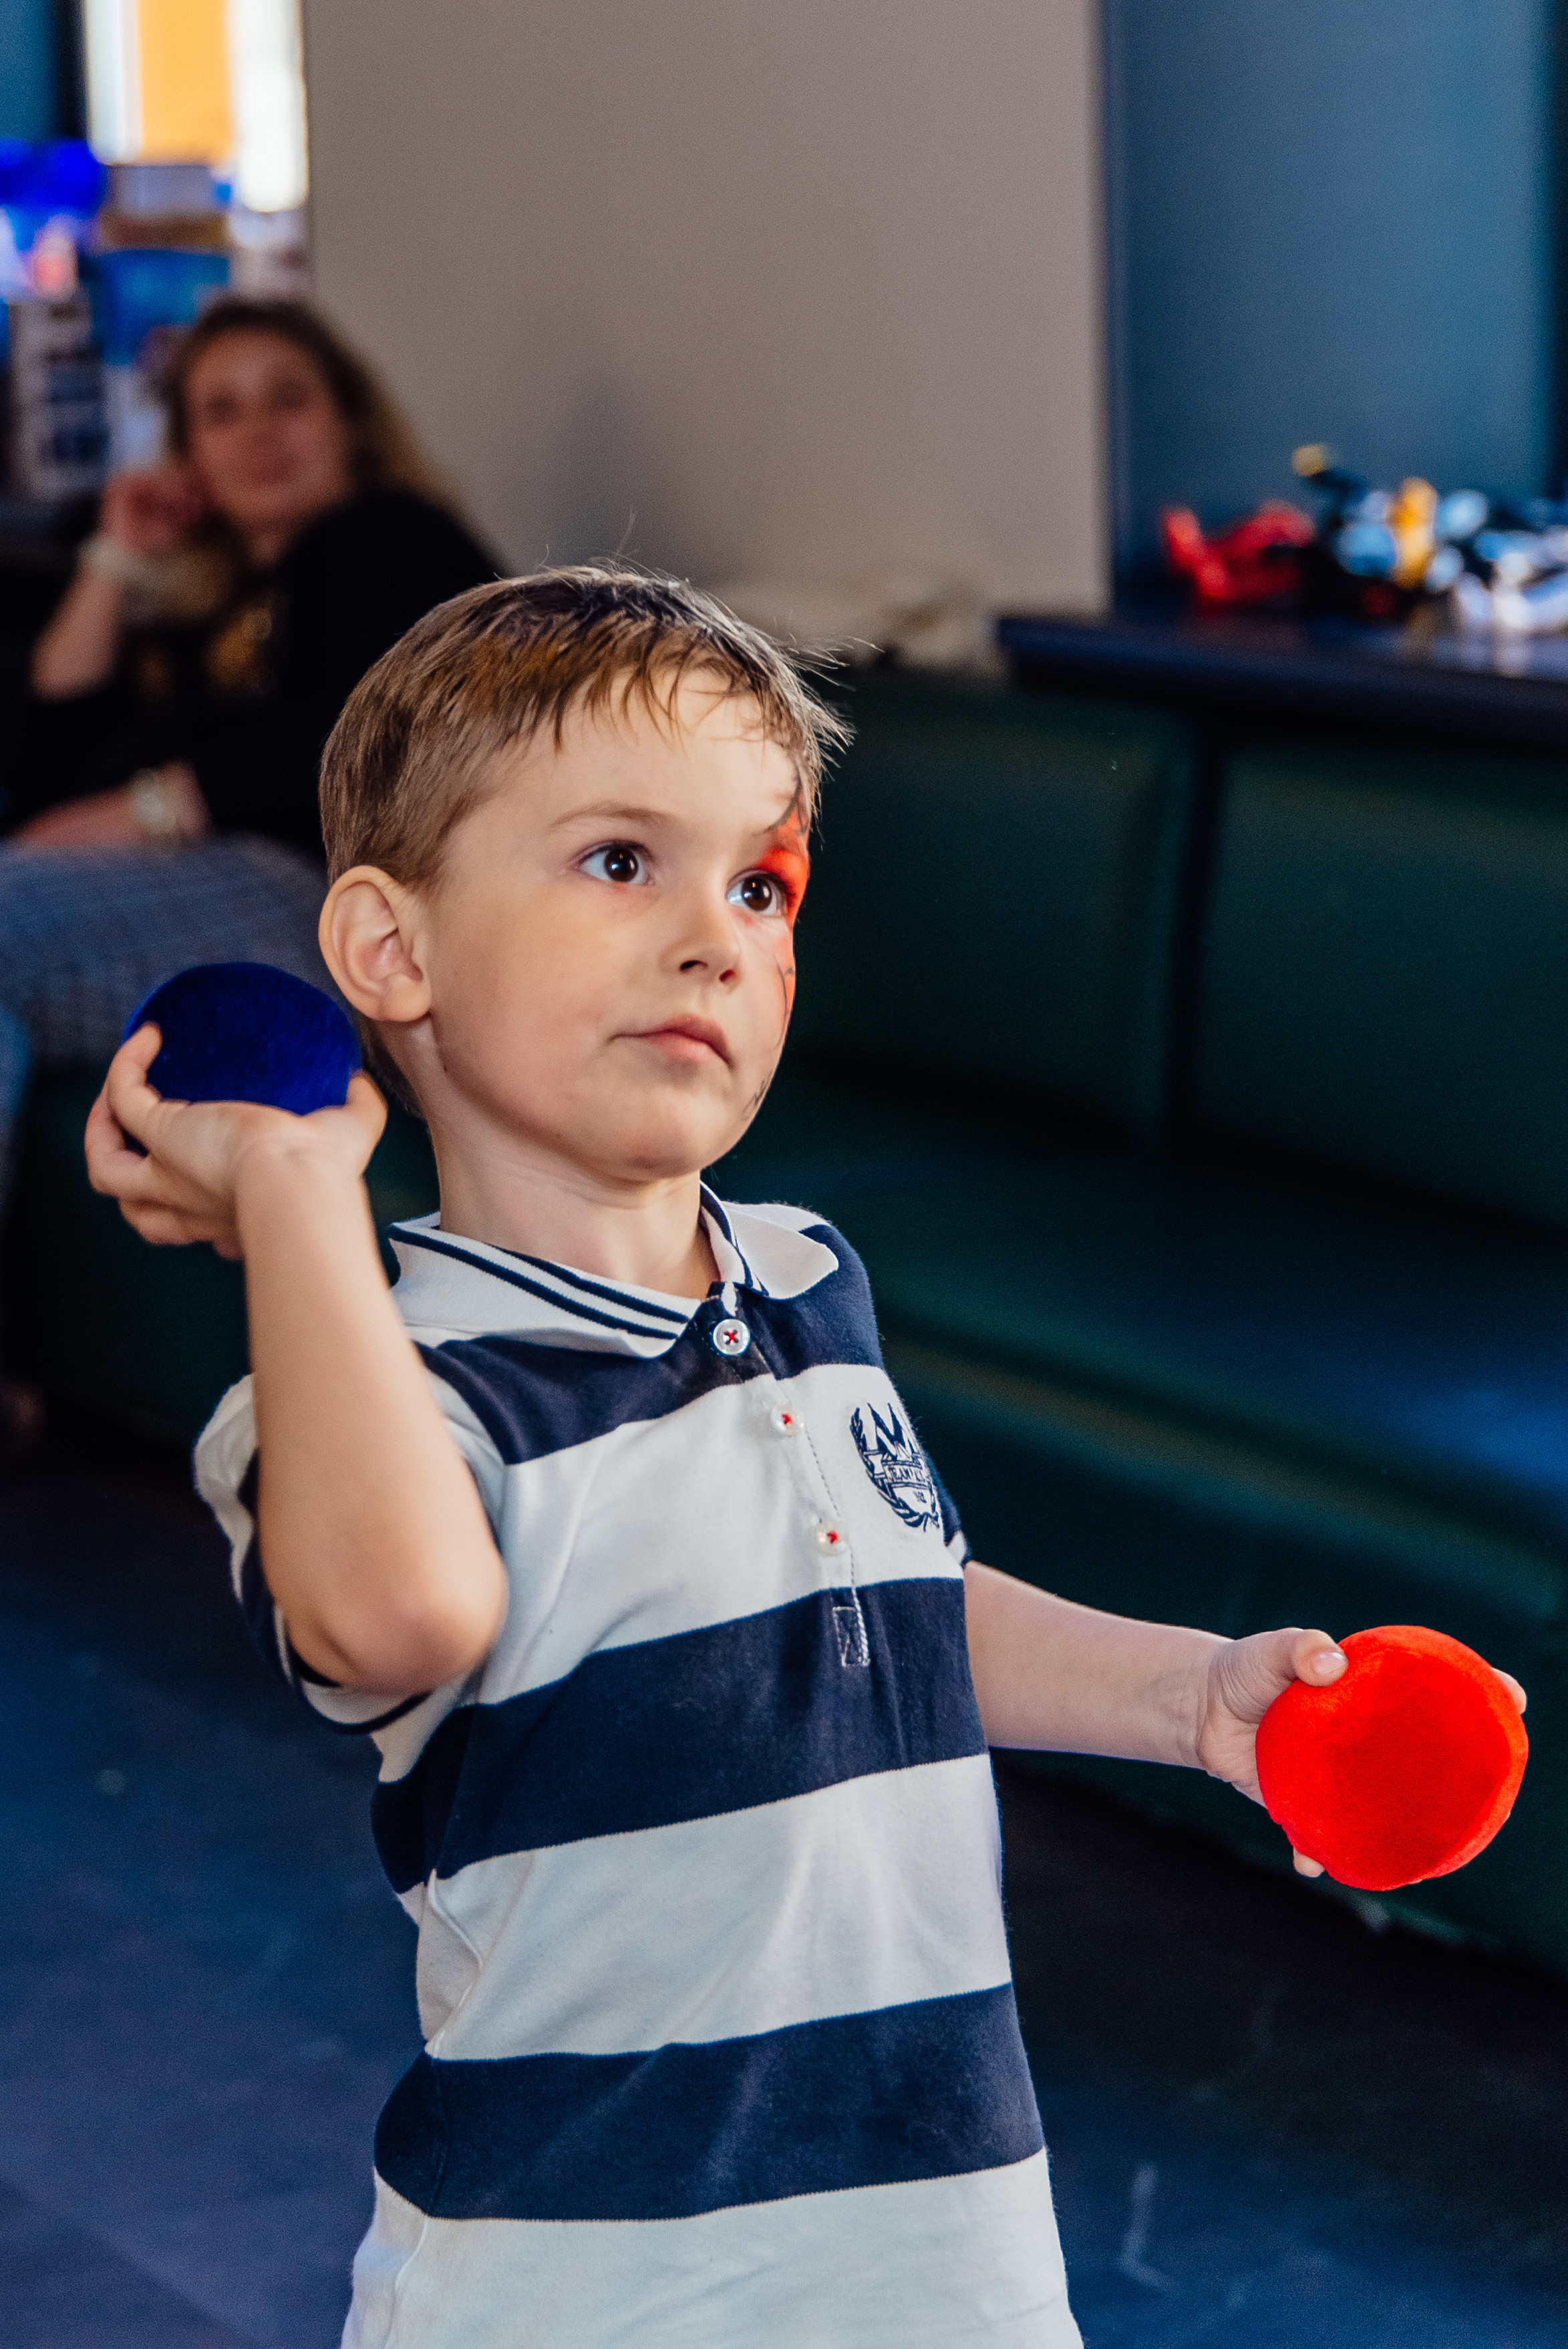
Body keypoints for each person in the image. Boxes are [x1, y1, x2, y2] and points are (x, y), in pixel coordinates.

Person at [81, 569, 1522, 2346]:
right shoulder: (363, 1394)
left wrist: (1190, 1697)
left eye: (758, 884)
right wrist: (296, 1177)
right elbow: (406, 1611)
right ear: (392, 951)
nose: (716, 935)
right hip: (587, 2288)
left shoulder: (802, 1270)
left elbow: (880, 1600)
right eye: (621, 860)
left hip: (942, 2261)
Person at [0, 297, 494, 1438]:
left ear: (350, 426)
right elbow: (40, 774)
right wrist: (118, 559)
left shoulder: (389, 536)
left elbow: (358, 742)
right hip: (238, 898)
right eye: (221, 412)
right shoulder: (220, 609)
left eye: (290, 398)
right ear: (188, 455)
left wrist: (150, 807)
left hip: (347, 911)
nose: (260, 432)